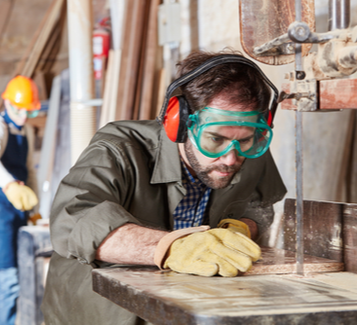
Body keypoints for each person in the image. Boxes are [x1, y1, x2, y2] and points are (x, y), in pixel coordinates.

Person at [42, 51, 286, 325]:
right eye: (215, 139)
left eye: (244, 140)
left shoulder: (248, 147)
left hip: (183, 306)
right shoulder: (118, 149)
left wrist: (241, 228)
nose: (231, 158)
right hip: (98, 314)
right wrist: (171, 247)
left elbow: (260, 204)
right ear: (179, 122)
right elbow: (71, 221)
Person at [0, 75, 40, 325]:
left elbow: (30, 170)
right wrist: (9, 184)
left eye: (29, 112)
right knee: (8, 275)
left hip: (19, 212)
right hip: (1, 213)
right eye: (21, 111)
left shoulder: (24, 130)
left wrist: (35, 208)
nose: (24, 117)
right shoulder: (1, 128)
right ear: (7, 105)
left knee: (23, 269)